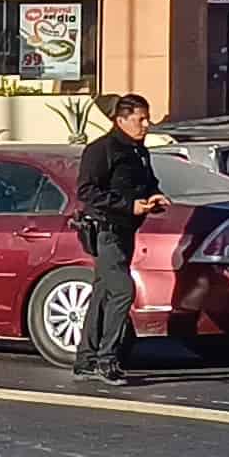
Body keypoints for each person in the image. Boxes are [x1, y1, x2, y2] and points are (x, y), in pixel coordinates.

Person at [70, 92, 168, 387]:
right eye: (140, 119)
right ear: (121, 119)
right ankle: (106, 359)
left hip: (127, 230)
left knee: (103, 293)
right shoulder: (102, 150)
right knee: (123, 290)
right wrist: (128, 206)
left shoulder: (140, 151)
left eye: (147, 118)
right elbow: (87, 192)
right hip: (105, 230)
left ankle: (85, 359)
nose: (146, 124)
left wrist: (153, 196)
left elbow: (147, 182)